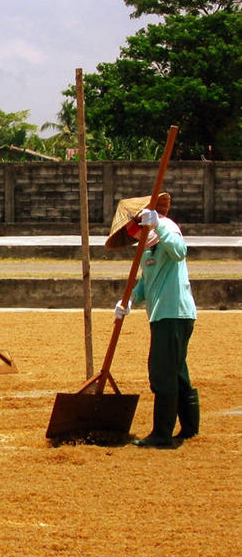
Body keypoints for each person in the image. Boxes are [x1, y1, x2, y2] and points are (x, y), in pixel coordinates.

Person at [107, 192, 199, 448]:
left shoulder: (166, 228)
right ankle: (190, 427)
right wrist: (129, 300)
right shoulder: (146, 244)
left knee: (161, 372)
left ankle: (162, 433)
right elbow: (146, 281)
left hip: (174, 313)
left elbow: (180, 252)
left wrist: (158, 224)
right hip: (161, 315)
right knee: (177, 370)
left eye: (135, 228)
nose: (134, 234)